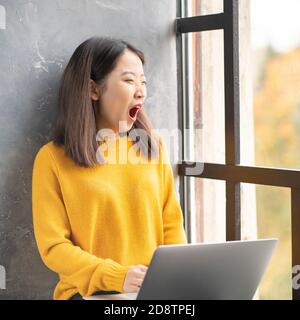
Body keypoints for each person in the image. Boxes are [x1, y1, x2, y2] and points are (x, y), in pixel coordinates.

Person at [31, 36, 188, 300]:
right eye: (129, 80)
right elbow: (54, 248)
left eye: (143, 81)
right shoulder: (52, 159)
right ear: (93, 89)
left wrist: (174, 277)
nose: (141, 91)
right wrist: (119, 276)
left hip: (153, 292)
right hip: (89, 293)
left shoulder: (153, 146)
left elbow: (172, 226)